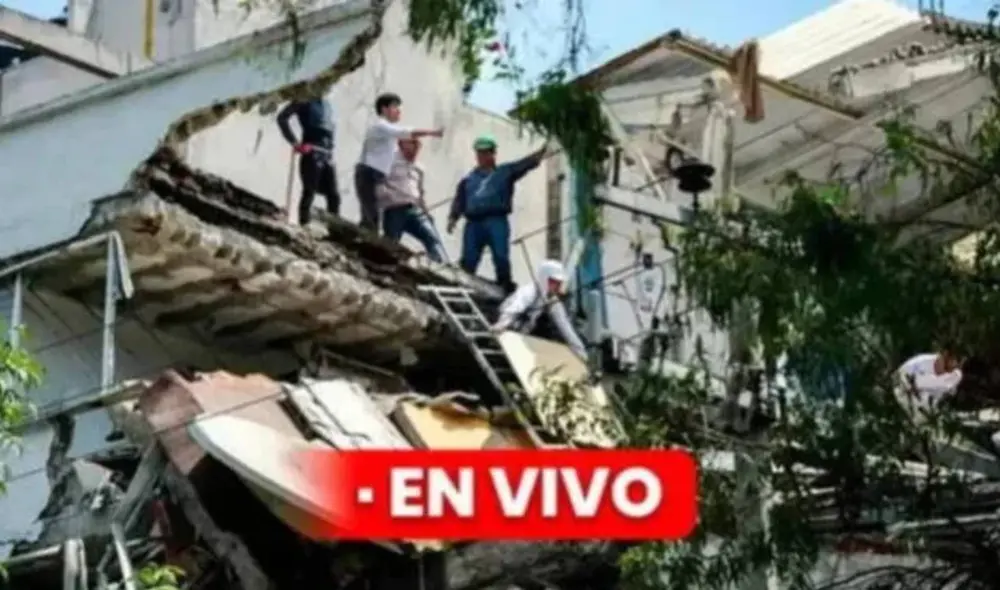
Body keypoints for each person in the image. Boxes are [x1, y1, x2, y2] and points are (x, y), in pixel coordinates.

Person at [447, 135, 547, 292]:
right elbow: (459, 200)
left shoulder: (504, 172)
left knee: (501, 257)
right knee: (469, 258)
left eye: (486, 152)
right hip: (473, 224)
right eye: (479, 153)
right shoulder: (468, 180)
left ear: (493, 154)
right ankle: (463, 287)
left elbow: (524, 165)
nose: (482, 156)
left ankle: (504, 284)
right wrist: (453, 217)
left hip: (496, 221)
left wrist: (541, 153)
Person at [356, 93, 443, 234]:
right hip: (368, 173)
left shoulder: (389, 134)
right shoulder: (381, 126)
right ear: (384, 109)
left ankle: (365, 236)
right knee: (370, 216)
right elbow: (406, 132)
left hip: (376, 175)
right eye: (395, 107)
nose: (398, 111)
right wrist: (433, 132)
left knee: (373, 215)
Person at [492, 259, 587, 359]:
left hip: (522, 334)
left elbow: (564, 326)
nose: (557, 286)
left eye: (559, 283)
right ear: (544, 278)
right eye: (554, 282)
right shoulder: (529, 291)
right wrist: (501, 325)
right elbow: (513, 310)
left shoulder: (552, 301)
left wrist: (581, 351)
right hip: (506, 327)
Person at [378, 138, 446, 262]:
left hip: (414, 211)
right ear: (401, 144)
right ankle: (383, 265)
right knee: (391, 242)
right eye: (412, 143)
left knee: (431, 237)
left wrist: (426, 211)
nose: (415, 148)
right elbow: (379, 184)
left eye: (418, 145)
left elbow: (420, 193)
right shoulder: (388, 161)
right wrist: (389, 197)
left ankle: (438, 265)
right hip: (394, 211)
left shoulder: (419, 168)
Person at [276, 96, 340, 225]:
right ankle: (304, 225)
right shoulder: (304, 99)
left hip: (327, 154)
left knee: (334, 196)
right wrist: (295, 143)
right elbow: (282, 118)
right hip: (312, 152)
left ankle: (334, 228)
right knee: (309, 192)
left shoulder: (327, 103)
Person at [894, 349, 963, 420]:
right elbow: (901, 379)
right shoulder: (919, 363)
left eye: (951, 369)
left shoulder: (954, 376)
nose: (945, 372)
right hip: (905, 396)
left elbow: (945, 391)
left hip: (929, 407)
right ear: (944, 355)